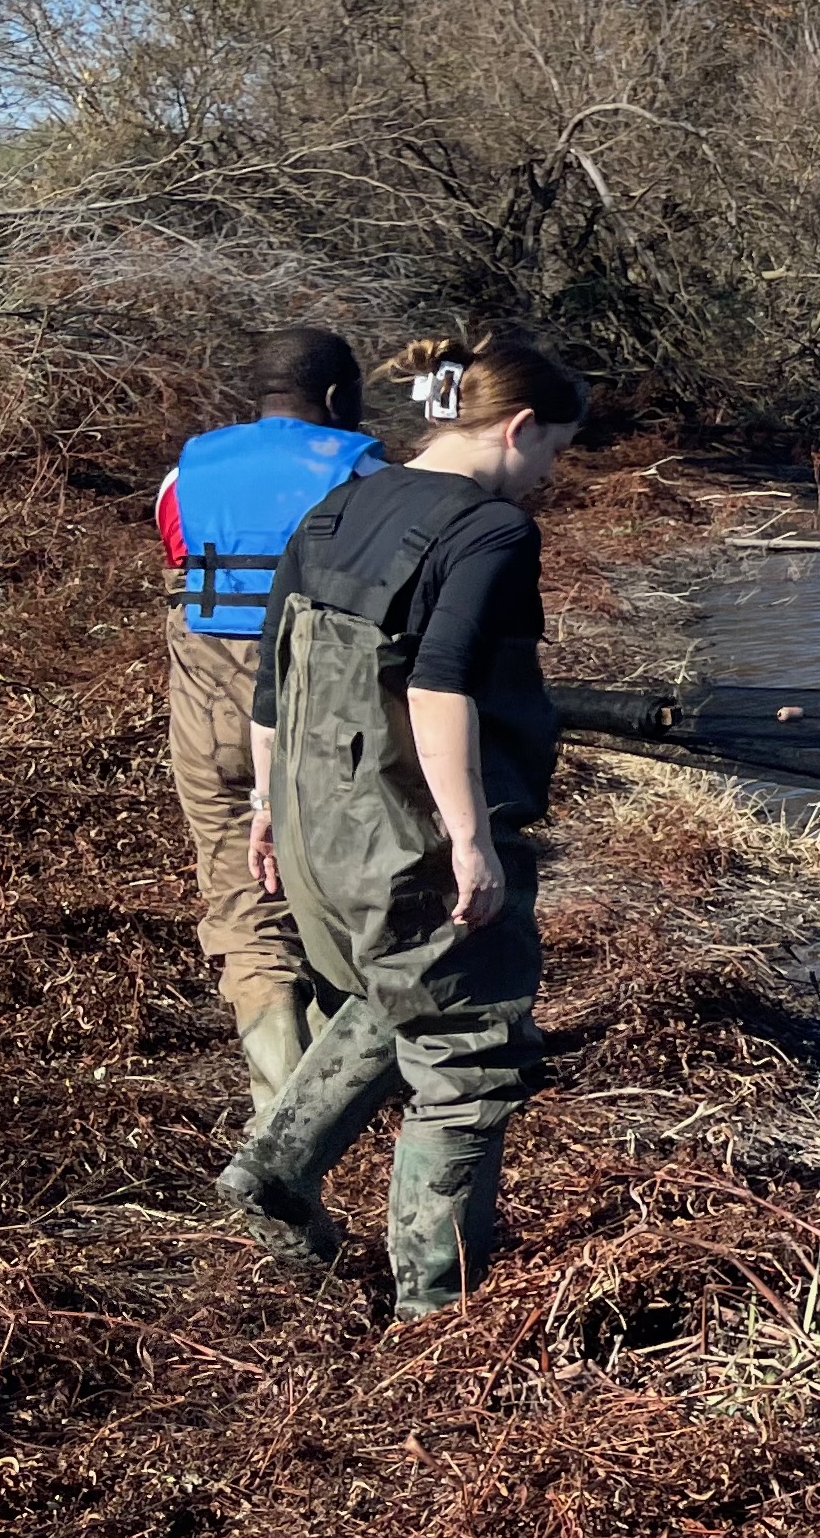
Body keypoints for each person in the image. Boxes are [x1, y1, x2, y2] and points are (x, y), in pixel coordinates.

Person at [213, 324, 586, 1317]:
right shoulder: (490, 531)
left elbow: (269, 683)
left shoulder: (339, 507)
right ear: (515, 427)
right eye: (553, 447)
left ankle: (274, 1172)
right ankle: (438, 1315)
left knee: (391, 994)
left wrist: (263, 812)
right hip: (407, 834)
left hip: (311, 824)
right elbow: (440, 683)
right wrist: (469, 837)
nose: (550, 473)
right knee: (466, 1055)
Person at [156, 328, 380, 1123]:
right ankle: (327, 1110)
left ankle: (275, 1106)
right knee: (337, 893)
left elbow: (183, 562)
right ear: (334, 397)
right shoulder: (366, 474)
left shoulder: (188, 472)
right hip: (320, 712)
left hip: (209, 710)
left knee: (239, 900)